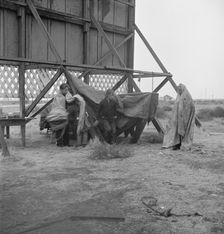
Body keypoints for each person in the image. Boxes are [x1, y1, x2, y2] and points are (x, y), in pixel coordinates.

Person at [162, 83, 196, 150]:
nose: (179, 90)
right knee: (175, 130)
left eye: (180, 89)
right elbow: (176, 107)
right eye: (178, 89)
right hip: (178, 118)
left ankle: (183, 144)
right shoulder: (178, 97)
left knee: (184, 131)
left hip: (186, 118)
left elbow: (190, 107)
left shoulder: (187, 96)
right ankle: (177, 144)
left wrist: (184, 115)